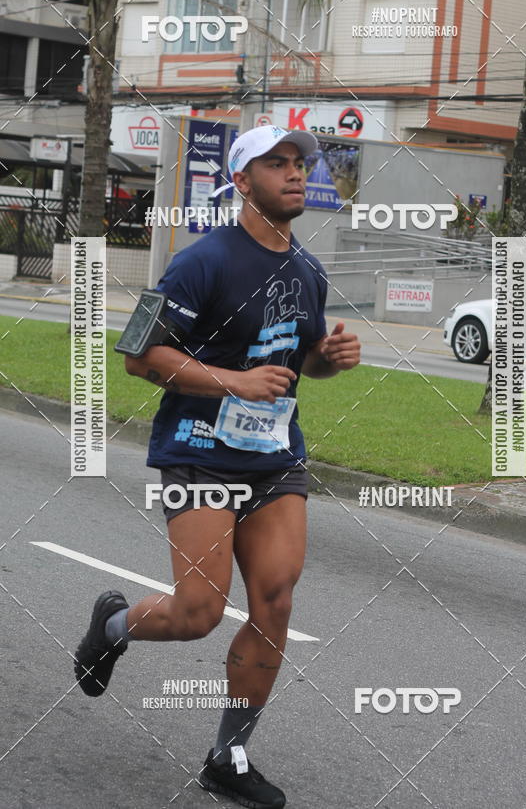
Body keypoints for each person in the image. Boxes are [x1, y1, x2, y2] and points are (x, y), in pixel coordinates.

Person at [74, 124, 361, 808]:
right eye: (277, 163)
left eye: (300, 163)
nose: (295, 173)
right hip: (200, 453)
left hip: (274, 458)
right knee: (199, 610)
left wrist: (330, 359)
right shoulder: (200, 263)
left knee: (276, 599)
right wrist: (234, 381)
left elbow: (303, 361)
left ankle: (228, 754)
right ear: (241, 179)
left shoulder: (308, 272)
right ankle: (111, 628)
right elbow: (139, 356)